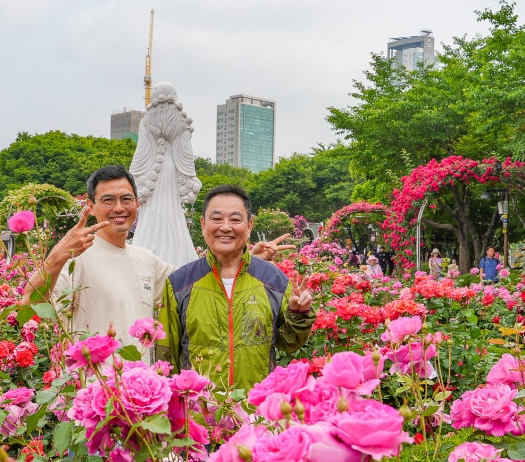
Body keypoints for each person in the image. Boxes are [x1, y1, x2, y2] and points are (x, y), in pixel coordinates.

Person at [20, 166, 289, 353]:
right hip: (96, 395)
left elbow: (194, 280)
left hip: (141, 399)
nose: (118, 208)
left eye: (126, 199)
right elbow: (29, 308)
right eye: (108, 200)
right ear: (90, 206)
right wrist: (57, 256)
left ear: (137, 204)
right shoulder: (76, 258)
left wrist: (244, 258)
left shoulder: (145, 259)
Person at [157, 185, 314, 390]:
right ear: (203, 224)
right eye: (216, 218)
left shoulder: (273, 280)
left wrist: (298, 313)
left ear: (249, 226)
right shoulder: (180, 283)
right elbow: (165, 354)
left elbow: (289, 343)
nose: (225, 227)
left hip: (255, 411)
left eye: (235, 219)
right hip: (199, 412)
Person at [128, 82, 202, 267]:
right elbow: (185, 153)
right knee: (173, 211)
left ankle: (147, 249)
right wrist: (188, 176)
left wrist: (135, 175)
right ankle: (177, 252)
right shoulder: (181, 119)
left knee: (151, 211)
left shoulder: (148, 119)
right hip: (172, 169)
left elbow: (142, 151)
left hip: (153, 169)